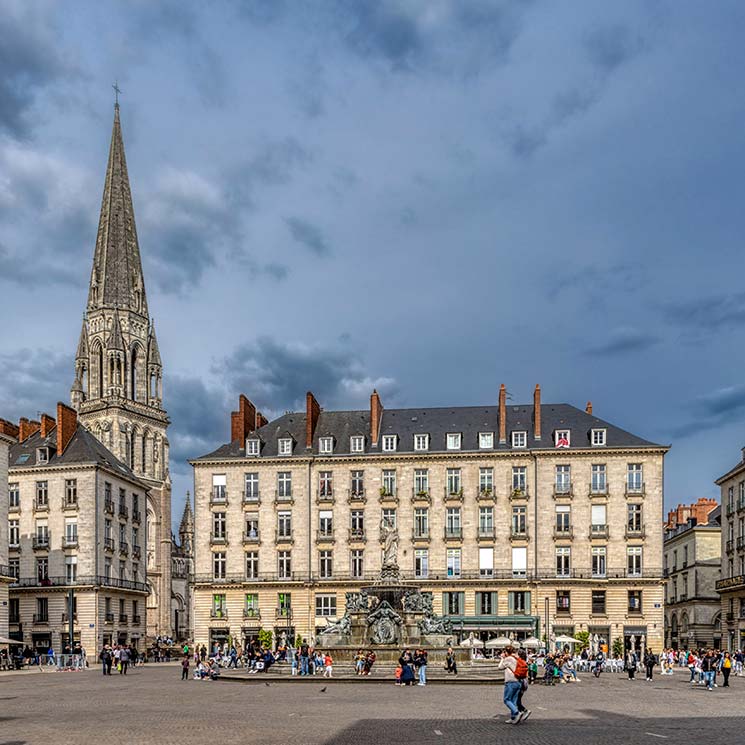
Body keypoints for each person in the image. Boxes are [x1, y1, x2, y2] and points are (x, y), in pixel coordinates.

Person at [498, 647, 524, 724]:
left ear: (506, 652)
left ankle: (516, 712)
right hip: (518, 681)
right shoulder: (517, 658)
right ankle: (513, 718)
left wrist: (502, 658)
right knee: (514, 701)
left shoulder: (508, 659)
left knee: (507, 699)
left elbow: (500, 667)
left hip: (511, 682)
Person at [515, 650, 532, 722]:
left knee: (517, 700)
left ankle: (524, 711)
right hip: (524, 682)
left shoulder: (519, 662)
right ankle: (519, 713)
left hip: (521, 682)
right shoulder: (524, 662)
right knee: (518, 699)